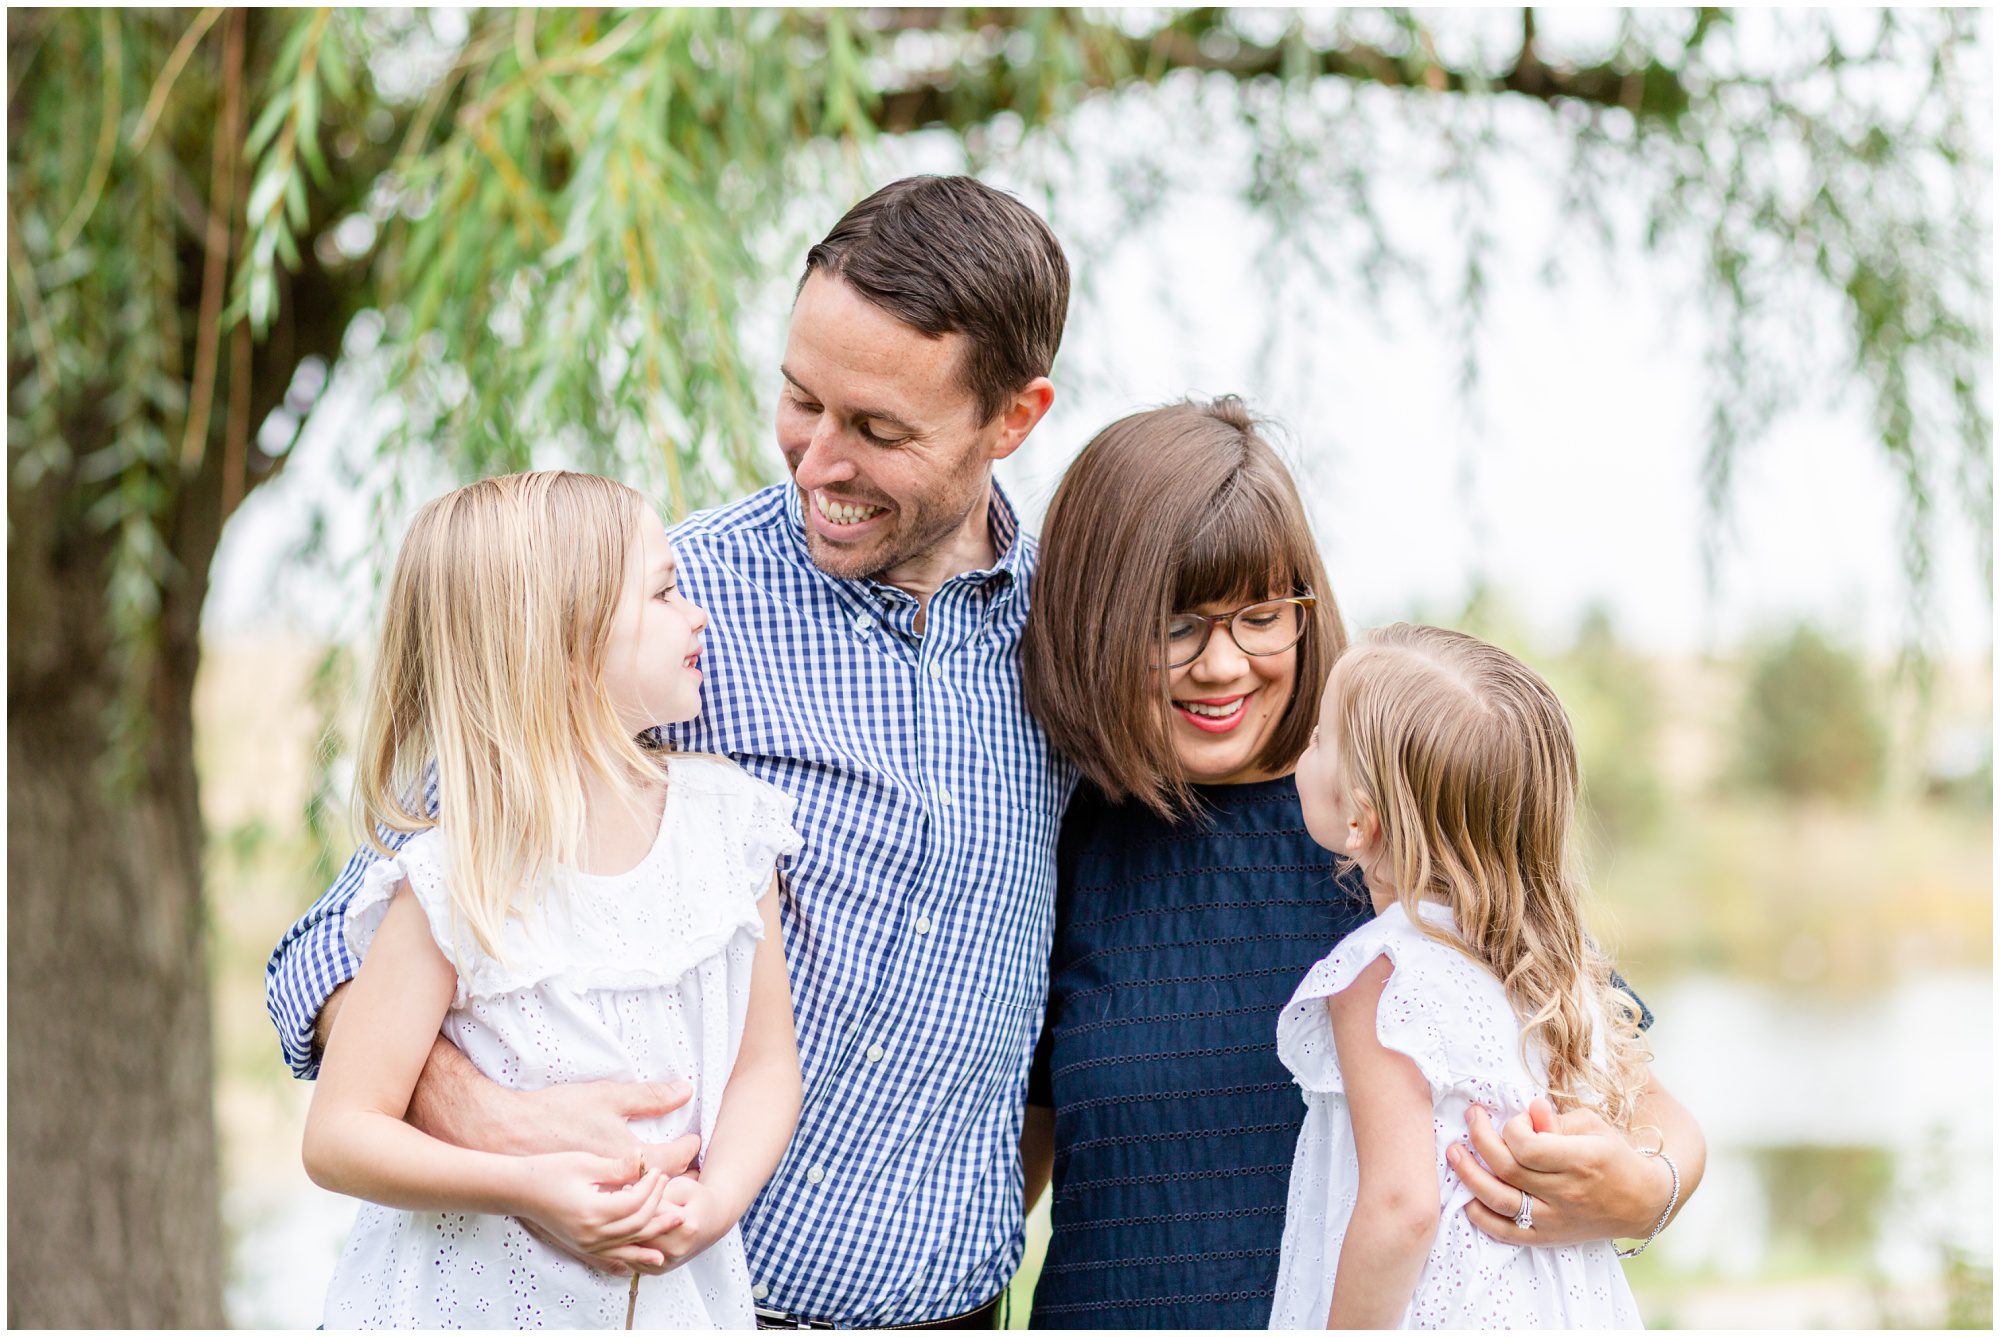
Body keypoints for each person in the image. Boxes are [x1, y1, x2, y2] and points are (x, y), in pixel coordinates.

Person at [266, 175, 1072, 1329]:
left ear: (1013, 419)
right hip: (686, 1299)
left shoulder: (1066, 643)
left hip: (960, 1303)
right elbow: (333, 943)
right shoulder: (659, 615)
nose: (814, 462)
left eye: (878, 430)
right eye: (799, 399)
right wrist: (486, 1116)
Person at [1019, 398, 1702, 1328]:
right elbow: (1004, 1161)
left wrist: (1642, 1188)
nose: (1223, 664)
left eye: (1261, 615)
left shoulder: (1405, 838)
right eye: (1175, 626)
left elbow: (1643, 1102)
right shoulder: (1055, 835)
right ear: (1092, 620)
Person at [304, 471, 802, 1328]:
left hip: (669, 1299)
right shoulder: (457, 875)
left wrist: (711, 1203)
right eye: (664, 591)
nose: (699, 615)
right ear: (566, 649)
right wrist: (526, 1184)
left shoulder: (730, 829)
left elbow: (765, 1064)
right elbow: (340, 1131)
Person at [1269, 623, 1665, 1328]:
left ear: (1361, 820)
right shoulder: (1549, 962)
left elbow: (1402, 1206)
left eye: (1320, 739)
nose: (1306, 747)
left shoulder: (1380, 973)